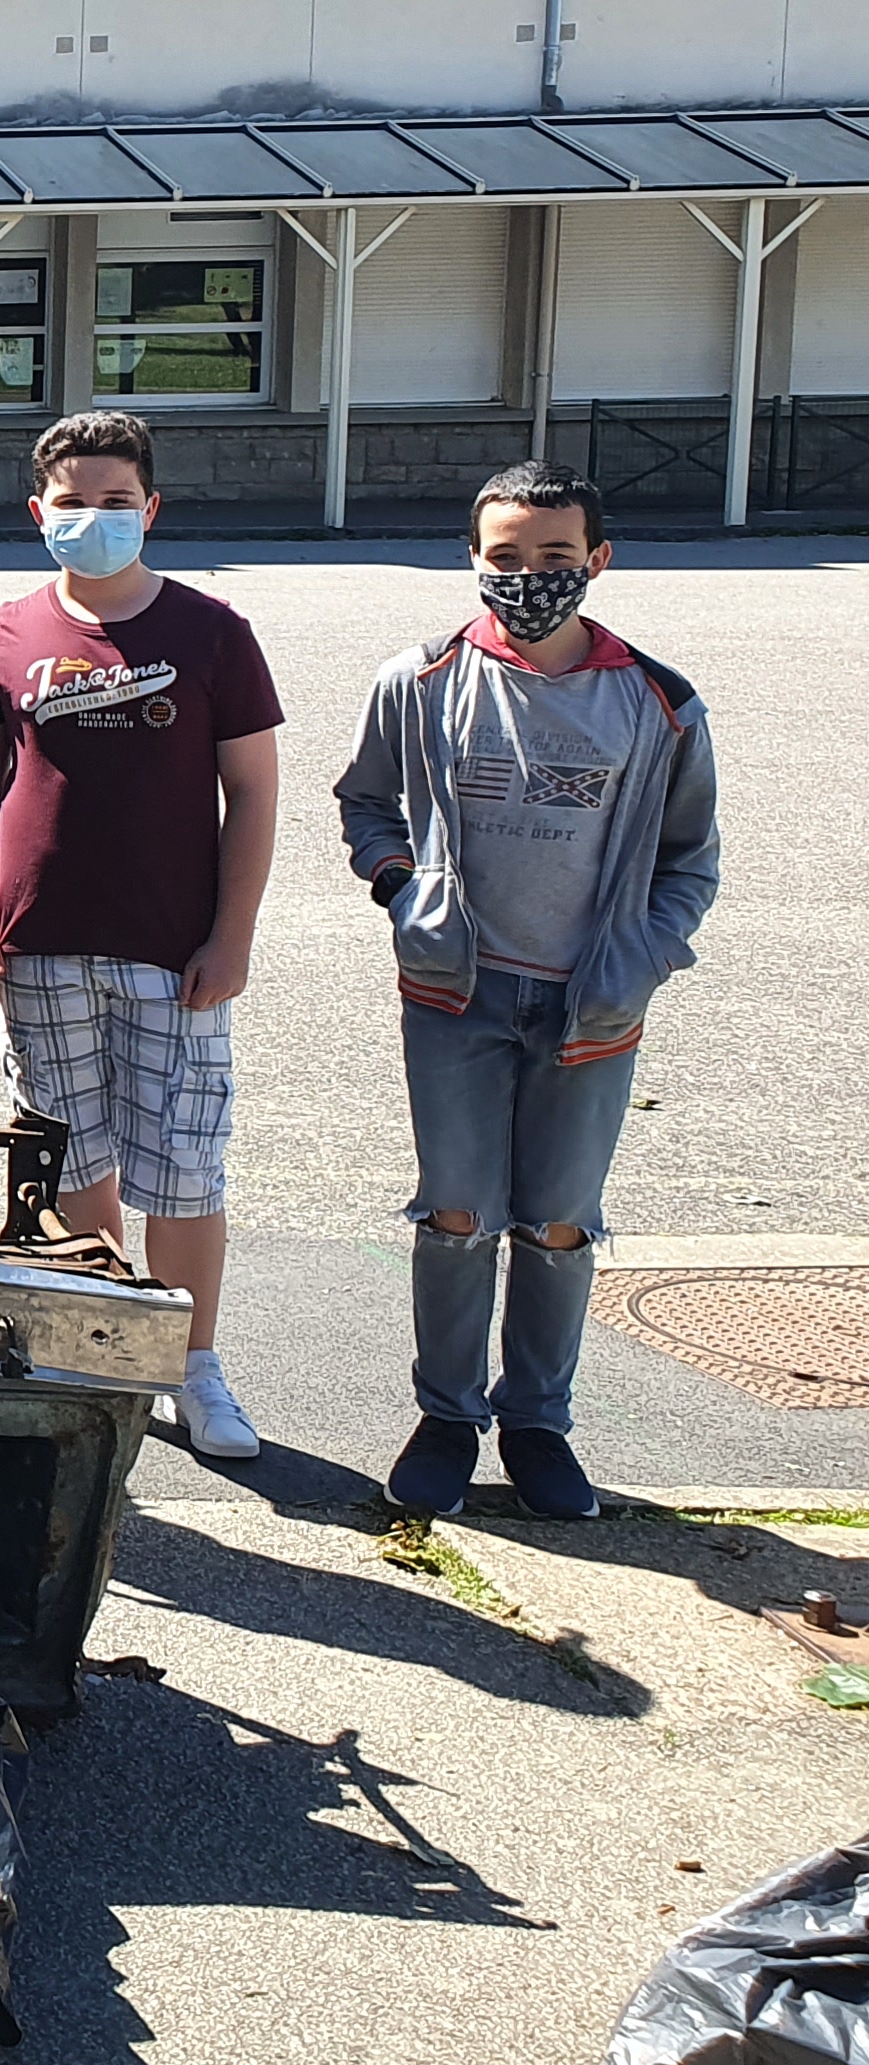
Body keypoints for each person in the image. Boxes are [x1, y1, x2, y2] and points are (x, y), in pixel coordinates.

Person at [337, 463, 718, 1524]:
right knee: (456, 1213)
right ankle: (447, 1417)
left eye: (556, 557)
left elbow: (689, 860)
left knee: (557, 1222)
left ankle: (539, 1423)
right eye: (505, 558)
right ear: (474, 559)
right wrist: (403, 890)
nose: (530, 577)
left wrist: (644, 955)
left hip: (591, 1003)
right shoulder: (420, 680)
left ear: (598, 560)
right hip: (456, 996)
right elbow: (367, 803)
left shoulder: (658, 703)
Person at [0, 413, 281, 1462]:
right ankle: (102, 1349)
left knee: (185, 1167)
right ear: (38, 512)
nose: (93, 518)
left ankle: (193, 1365)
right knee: (71, 1156)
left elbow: (252, 793)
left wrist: (232, 936)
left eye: (115, 501)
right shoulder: (3, 634)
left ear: (150, 509)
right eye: (72, 502)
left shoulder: (211, 632)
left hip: (173, 949)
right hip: (41, 944)